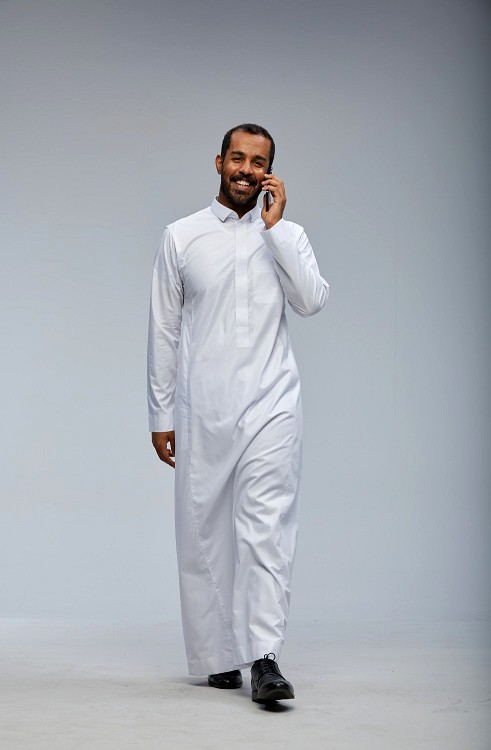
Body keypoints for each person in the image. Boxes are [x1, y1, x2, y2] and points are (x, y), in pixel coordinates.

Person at [147, 123, 329, 704]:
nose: (247, 170)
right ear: (219, 162)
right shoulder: (182, 236)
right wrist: (160, 415)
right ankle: (216, 655)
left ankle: (265, 657)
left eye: (259, 162)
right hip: (202, 407)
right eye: (238, 158)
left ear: (270, 171)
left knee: (265, 529)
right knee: (202, 530)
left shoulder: (287, 235)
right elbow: (163, 331)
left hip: (273, 403)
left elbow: (311, 300)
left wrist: (275, 231)